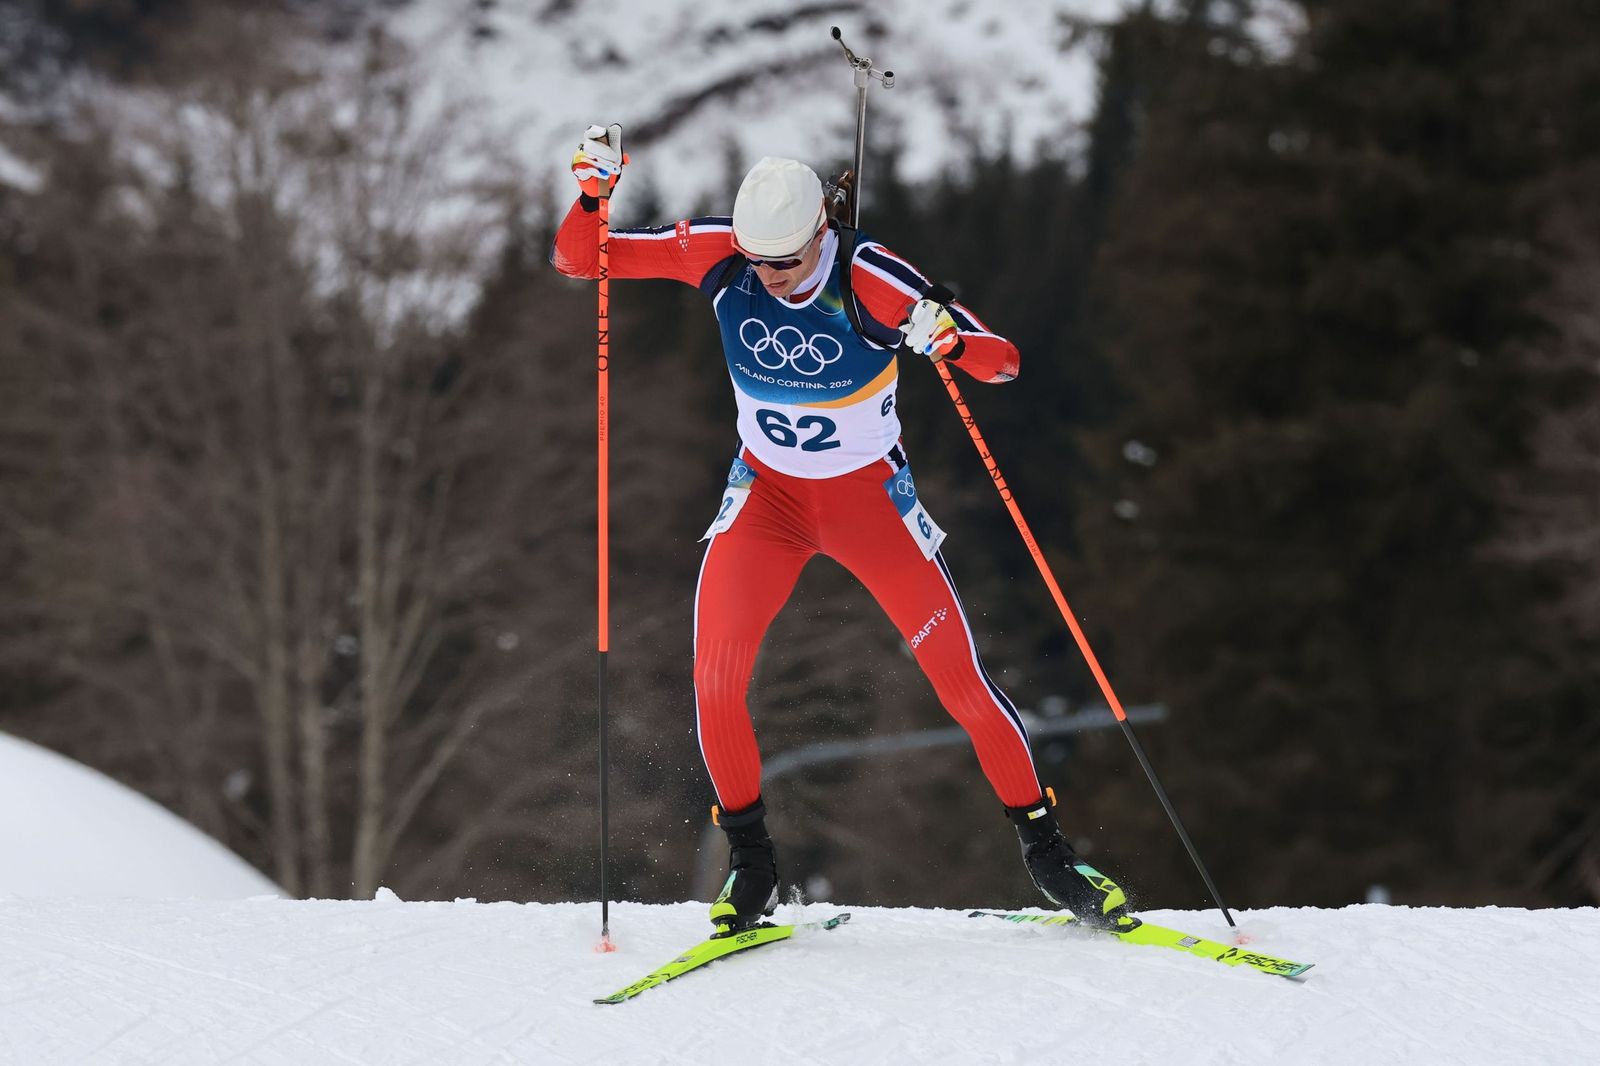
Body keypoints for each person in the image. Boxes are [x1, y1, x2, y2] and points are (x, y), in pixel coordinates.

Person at [552, 124, 1132, 933]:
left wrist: (952, 341)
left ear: (820, 233)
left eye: (786, 262)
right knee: (715, 681)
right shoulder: (723, 251)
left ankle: (1049, 854)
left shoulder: (870, 276)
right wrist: (592, 194)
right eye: (760, 261)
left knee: (960, 682)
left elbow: (1005, 362)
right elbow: (584, 259)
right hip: (768, 502)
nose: (773, 277)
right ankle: (752, 866)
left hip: (868, 505)